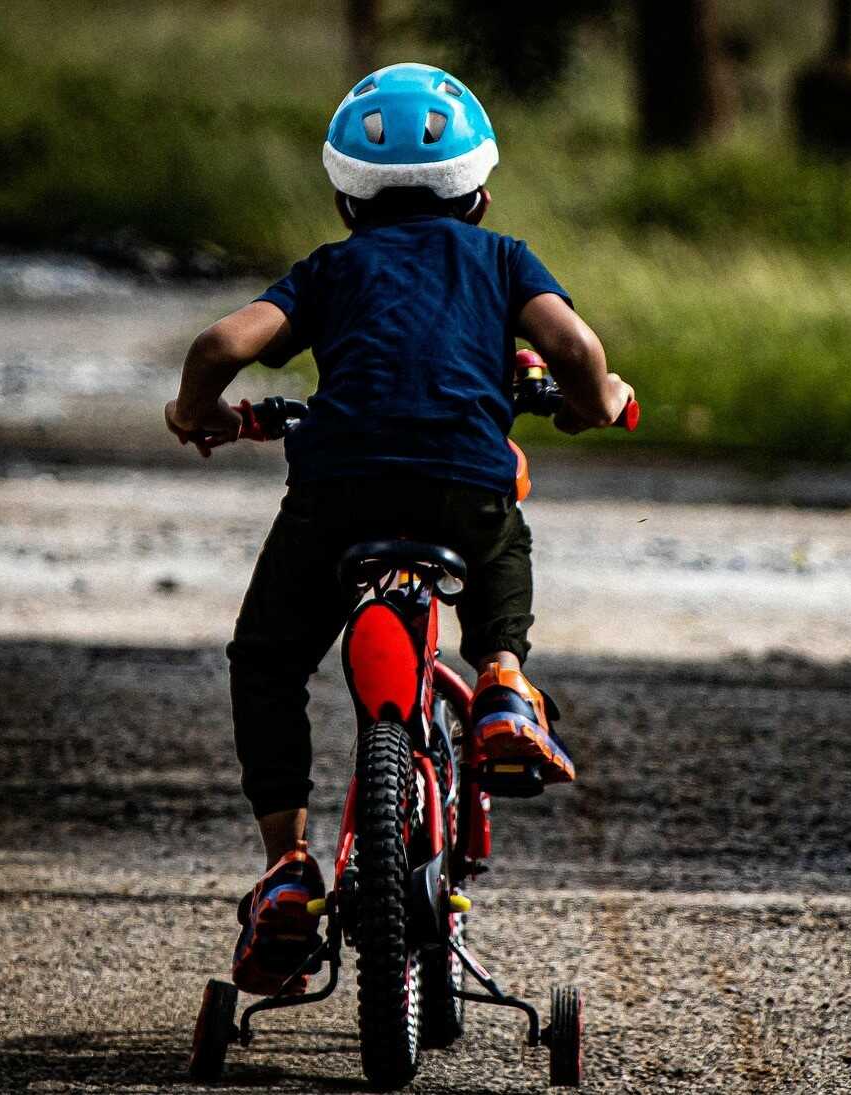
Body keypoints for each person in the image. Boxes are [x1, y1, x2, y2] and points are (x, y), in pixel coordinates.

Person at [163, 62, 633, 996]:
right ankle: (501, 681)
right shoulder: (504, 260)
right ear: (482, 194)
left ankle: (291, 869)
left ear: (345, 202)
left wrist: (198, 412)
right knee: (502, 530)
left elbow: (222, 345)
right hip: (459, 483)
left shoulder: (330, 270)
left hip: (340, 491)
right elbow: (575, 351)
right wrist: (597, 397)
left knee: (265, 659)